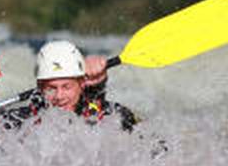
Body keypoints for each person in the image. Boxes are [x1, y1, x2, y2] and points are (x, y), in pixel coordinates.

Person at [8, 40, 137, 131]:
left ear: (81, 83)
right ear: (40, 87)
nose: (59, 96)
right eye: (51, 88)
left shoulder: (113, 115)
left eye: (66, 87)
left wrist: (100, 83)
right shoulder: (21, 120)